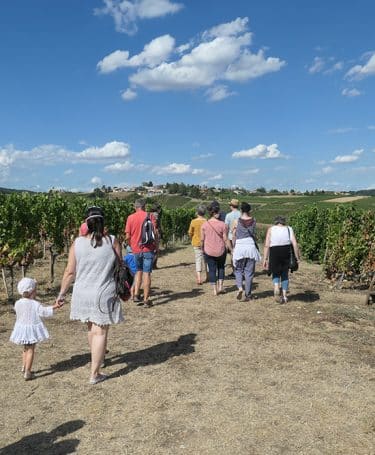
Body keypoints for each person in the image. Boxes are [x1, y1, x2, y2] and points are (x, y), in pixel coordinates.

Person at [56, 206, 124, 384]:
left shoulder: (77, 243)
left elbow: (70, 272)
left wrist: (61, 294)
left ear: (86, 222)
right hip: (103, 292)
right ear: (103, 222)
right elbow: (120, 265)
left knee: (91, 329)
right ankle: (95, 373)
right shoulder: (112, 241)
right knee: (101, 332)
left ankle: (98, 358)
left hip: (82, 293)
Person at [10, 277, 62, 380]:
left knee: (25, 349)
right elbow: (44, 311)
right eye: (35, 290)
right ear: (32, 291)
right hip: (30, 331)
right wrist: (55, 306)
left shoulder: (17, 303)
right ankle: (28, 372)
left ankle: (24, 367)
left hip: (22, 330)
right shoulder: (35, 304)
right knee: (30, 350)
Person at [125, 199, 158, 307]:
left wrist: (133, 245)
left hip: (136, 250)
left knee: (138, 271)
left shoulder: (130, 218)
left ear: (135, 207)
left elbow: (127, 236)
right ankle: (146, 300)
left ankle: (135, 295)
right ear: (145, 206)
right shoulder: (150, 216)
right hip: (148, 249)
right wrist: (156, 246)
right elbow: (155, 232)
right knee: (146, 273)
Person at [262, 215, 301, 304]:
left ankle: (276, 286)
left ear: (275, 221)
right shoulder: (289, 229)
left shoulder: (271, 229)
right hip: (286, 250)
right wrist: (297, 257)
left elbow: (267, 245)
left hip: (274, 251)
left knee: (275, 271)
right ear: (284, 222)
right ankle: (284, 296)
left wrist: (265, 258)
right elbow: (294, 244)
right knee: (284, 273)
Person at [232, 202, 261, 301]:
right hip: (250, 246)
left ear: (241, 210)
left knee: (238, 269)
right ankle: (248, 295)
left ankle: (240, 287)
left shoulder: (236, 221)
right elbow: (253, 233)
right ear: (249, 210)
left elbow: (234, 236)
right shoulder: (254, 220)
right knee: (249, 272)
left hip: (240, 246)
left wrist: (233, 248)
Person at [201, 202, 228, 296]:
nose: (219, 214)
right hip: (220, 250)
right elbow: (225, 238)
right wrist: (229, 247)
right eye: (218, 212)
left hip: (209, 250)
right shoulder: (223, 225)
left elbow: (202, 239)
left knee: (212, 269)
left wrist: (202, 249)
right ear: (214, 213)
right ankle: (220, 287)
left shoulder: (204, 225)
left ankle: (214, 290)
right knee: (221, 267)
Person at [188, 205, 208, 285]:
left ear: (197, 212)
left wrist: (192, 238)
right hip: (206, 243)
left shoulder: (193, 221)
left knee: (198, 260)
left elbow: (190, 233)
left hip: (196, 243)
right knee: (206, 260)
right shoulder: (207, 221)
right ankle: (208, 276)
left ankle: (199, 278)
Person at [224, 199, 241, 278]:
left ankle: (234, 271)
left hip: (231, 237)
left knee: (232, 254)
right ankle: (241, 271)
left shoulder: (228, 215)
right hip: (241, 237)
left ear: (231, 206)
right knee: (241, 254)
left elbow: (226, 228)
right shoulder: (241, 215)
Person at [150, 202, 162, 269]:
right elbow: (156, 224)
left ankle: (151, 264)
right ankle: (154, 264)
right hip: (156, 232)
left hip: (150, 233)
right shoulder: (156, 215)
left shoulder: (149, 214)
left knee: (152, 248)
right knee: (156, 249)